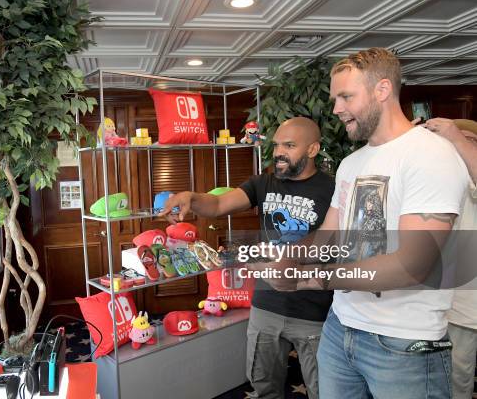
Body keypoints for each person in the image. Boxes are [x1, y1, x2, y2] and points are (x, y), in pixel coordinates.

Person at [250, 48, 470, 399]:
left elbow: (412, 265)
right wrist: (290, 258)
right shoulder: (351, 163)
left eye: (346, 97)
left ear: (382, 90)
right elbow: (328, 233)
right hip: (341, 328)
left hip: (404, 341)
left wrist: (311, 278)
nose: (336, 109)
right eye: (335, 98)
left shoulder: (431, 155)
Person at [161, 117, 335, 399]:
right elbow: (218, 204)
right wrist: (191, 197)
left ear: (312, 149)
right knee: (263, 387)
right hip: (266, 305)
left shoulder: (332, 189)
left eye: (289, 145)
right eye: (277, 144)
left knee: (323, 391)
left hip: (314, 310)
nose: (279, 151)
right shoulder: (263, 183)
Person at [418, 117, 477, 399]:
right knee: (419, 377)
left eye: (469, 141)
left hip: (462, 305)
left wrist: (456, 136)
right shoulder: (435, 173)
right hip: (421, 301)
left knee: (456, 379)